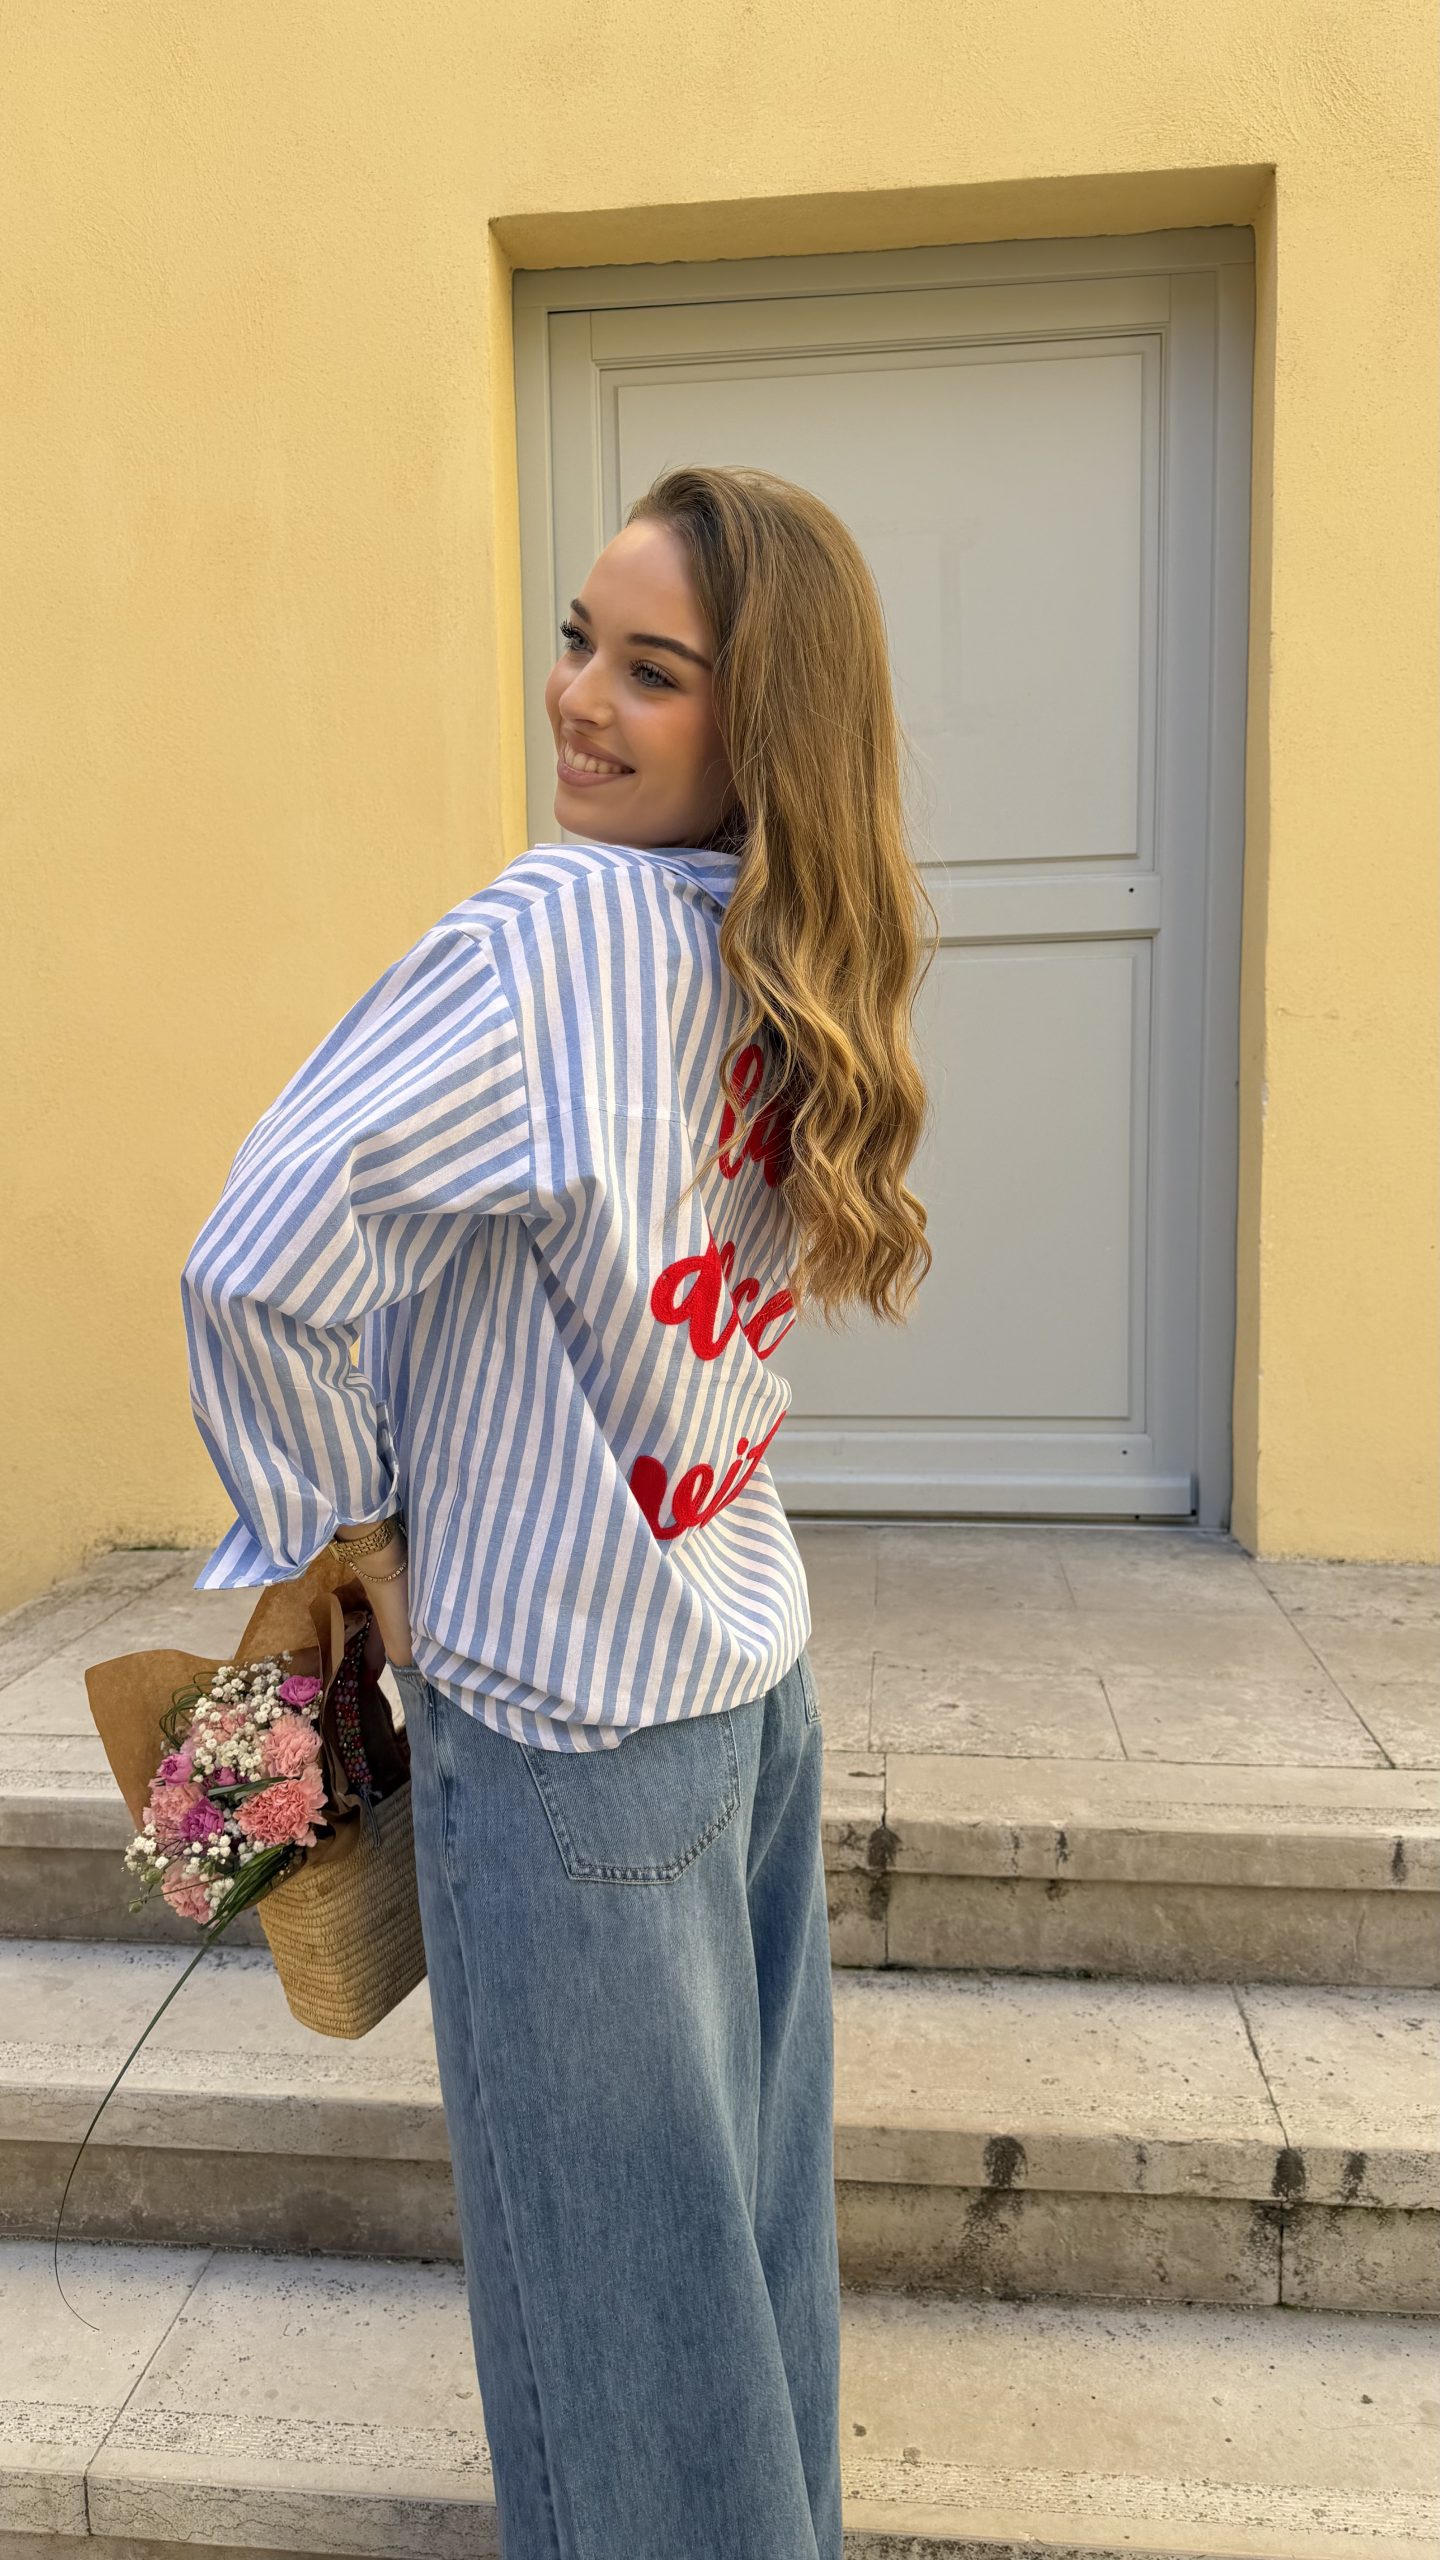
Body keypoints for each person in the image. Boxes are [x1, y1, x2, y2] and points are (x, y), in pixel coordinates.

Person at [180, 462, 935, 2560]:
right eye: (582, 641)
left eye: (653, 670)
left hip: (569, 1748)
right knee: (744, 2312)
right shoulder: (781, 950)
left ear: (764, 721)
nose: (579, 697)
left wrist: (346, 1527)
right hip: (746, 1699)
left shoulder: (544, 937)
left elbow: (252, 1265)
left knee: (622, 2390)